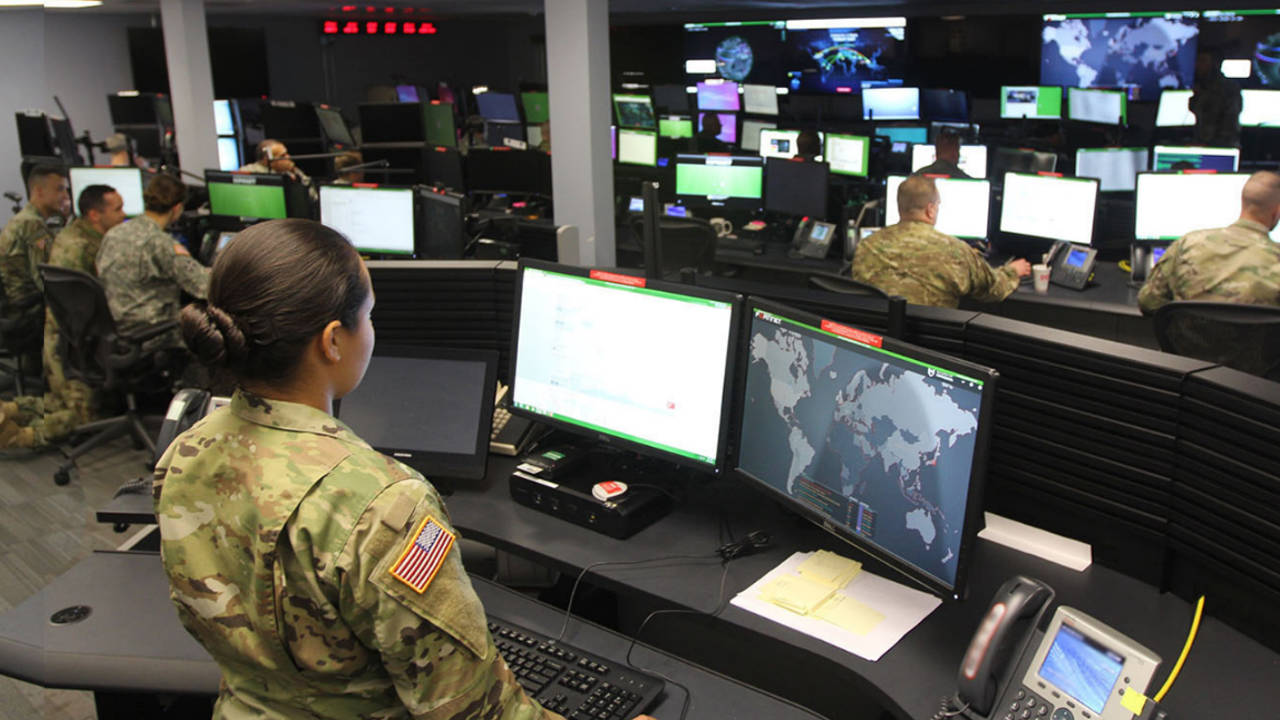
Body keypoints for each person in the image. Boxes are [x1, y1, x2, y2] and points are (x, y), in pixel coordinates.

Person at [153, 219, 657, 720]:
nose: (373, 329)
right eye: (369, 315)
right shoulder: (383, 505)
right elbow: (470, 713)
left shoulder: (184, 455)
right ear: (332, 341)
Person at [0, 184, 128, 448]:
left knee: (57, 402)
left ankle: (9, 409)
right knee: (83, 417)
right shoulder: (91, 248)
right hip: (78, 344)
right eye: (117, 209)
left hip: (59, 341)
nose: (123, 215)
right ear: (95, 215)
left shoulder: (69, 234)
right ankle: (21, 437)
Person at [852, 175, 1031, 308]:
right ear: (930, 210)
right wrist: (1011, 272)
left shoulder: (867, 245)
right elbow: (993, 289)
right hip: (930, 351)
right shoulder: (956, 251)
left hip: (877, 346)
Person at [96, 173, 209, 354]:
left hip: (116, 330)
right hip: (156, 333)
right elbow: (204, 286)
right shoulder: (161, 243)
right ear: (177, 208)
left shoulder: (113, 234)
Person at [1138, 171, 1280, 314]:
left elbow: (1148, 302)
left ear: (1243, 201)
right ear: (1277, 211)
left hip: (1189, 336)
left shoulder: (1187, 244)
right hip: (1254, 337)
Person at [0, 164, 69, 323]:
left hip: (16, 309)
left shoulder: (23, 220)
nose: (65, 196)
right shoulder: (32, 224)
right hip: (30, 313)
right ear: (39, 191)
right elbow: (45, 279)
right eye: (59, 189)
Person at [1189, 47, 1243, 148]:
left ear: (1214, 64)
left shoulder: (1228, 87)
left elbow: (1230, 118)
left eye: (1203, 61)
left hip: (1222, 143)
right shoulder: (1200, 86)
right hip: (1203, 141)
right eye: (1197, 61)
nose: (1198, 65)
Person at [240, 139, 311, 184]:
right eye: (282, 156)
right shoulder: (247, 173)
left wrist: (296, 175)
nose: (288, 157)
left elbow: (313, 196)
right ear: (266, 160)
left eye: (287, 153)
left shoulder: (291, 171)